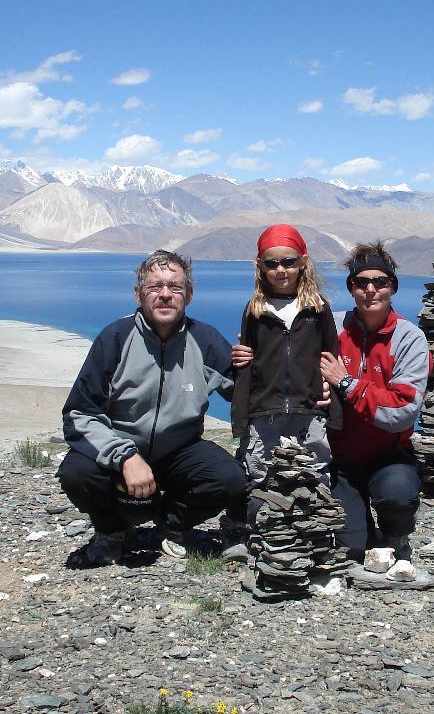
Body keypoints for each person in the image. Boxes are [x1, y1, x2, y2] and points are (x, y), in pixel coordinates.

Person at [57, 250, 246, 566]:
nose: (165, 295)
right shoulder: (115, 339)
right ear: (138, 293)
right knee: (77, 473)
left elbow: (243, 395)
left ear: (188, 294)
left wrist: (263, 364)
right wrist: (125, 456)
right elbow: (80, 413)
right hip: (122, 451)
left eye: (174, 287)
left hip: (179, 450)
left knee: (230, 479)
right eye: (155, 286)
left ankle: (170, 521)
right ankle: (112, 530)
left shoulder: (205, 340)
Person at [223, 224, 339, 561]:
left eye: (288, 262)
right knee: (261, 476)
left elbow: (330, 357)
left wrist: (330, 396)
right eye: (272, 263)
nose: (280, 270)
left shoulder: (318, 309)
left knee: (315, 474)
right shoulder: (255, 311)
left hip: (308, 410)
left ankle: (313, 541)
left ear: (303, 262)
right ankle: (259, 540)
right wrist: (241, 415)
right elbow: (247, 362)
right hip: (264, 411)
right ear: (260, 266)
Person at [319, 242, 430, 573]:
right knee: (353, 548)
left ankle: (397, 535)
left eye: (380, 282)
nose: (371, 289)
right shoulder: (331, 328)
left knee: (397, 494)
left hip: (388, 456)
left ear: (392, 287)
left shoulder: (409, 339)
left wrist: (346, 384)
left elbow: (401, 413)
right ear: (351, 287)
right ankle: (362, 528)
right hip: (337, 458)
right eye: (361, 282)